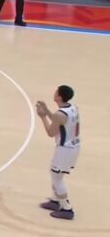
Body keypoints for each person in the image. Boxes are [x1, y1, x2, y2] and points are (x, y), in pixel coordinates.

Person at [36, 85, 79, 220]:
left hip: (65, 149)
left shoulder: (60, 115)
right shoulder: (73, 108)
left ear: (59, 97)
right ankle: (55, 201)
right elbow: (59, 121)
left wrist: (43, 116)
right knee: (55, 173)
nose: (54, 92)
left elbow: (51, 132)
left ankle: (67, 209)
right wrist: (48, 111)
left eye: (56, 92)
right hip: (73, 146)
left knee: (57, 178)